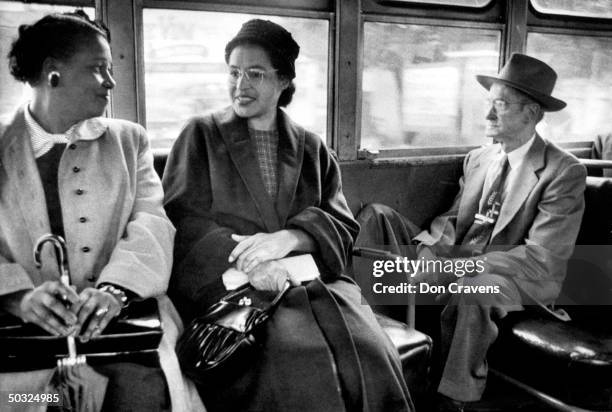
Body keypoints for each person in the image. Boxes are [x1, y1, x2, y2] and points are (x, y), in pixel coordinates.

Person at [163, 19, 413, 412]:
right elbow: (182, 219)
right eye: (234, 72)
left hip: (317, 283)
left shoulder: (312, 147)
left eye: (256, 74)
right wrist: (253, 263)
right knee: (298, 359)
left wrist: (292, 238)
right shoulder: (200, 135)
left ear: (283, 81)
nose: (240, 85)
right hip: (235, 287)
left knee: (370, 350)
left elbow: (342, 222)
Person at [355, 53, 587, 411]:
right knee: (376, 217)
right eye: (489, 104)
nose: (488, 116)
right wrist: (431, 251)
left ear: (532, 114)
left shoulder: (563, 171)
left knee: (475, 287)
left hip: (522, 274)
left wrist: (459, 266)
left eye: (501, 105)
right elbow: (452, 221)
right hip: (464, 257)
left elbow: (543, 256)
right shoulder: (479, 159)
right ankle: (378, 353)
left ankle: (453, 398)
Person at [0, 11, 203, 411]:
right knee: (18, 399)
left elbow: (151, 223)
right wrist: (18, 296)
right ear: (52, 73)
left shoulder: (130, 141)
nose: (110, 82)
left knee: (142, 392)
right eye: (98, 69)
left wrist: (116, 290)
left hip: (123, 326)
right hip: (19, 335)